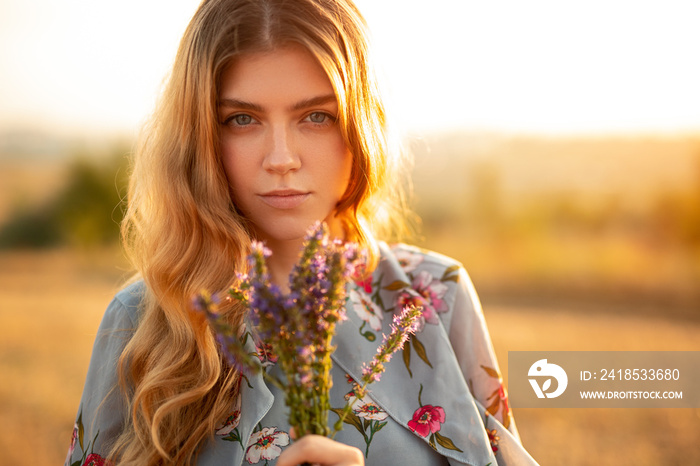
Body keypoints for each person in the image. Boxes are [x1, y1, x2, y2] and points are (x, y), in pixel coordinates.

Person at [66, 0, 538, 465]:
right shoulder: (144, 319)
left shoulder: (436, 294)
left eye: (316, 116)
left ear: (360, 125)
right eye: (241, 120)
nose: (281, 158)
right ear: (202, 138)